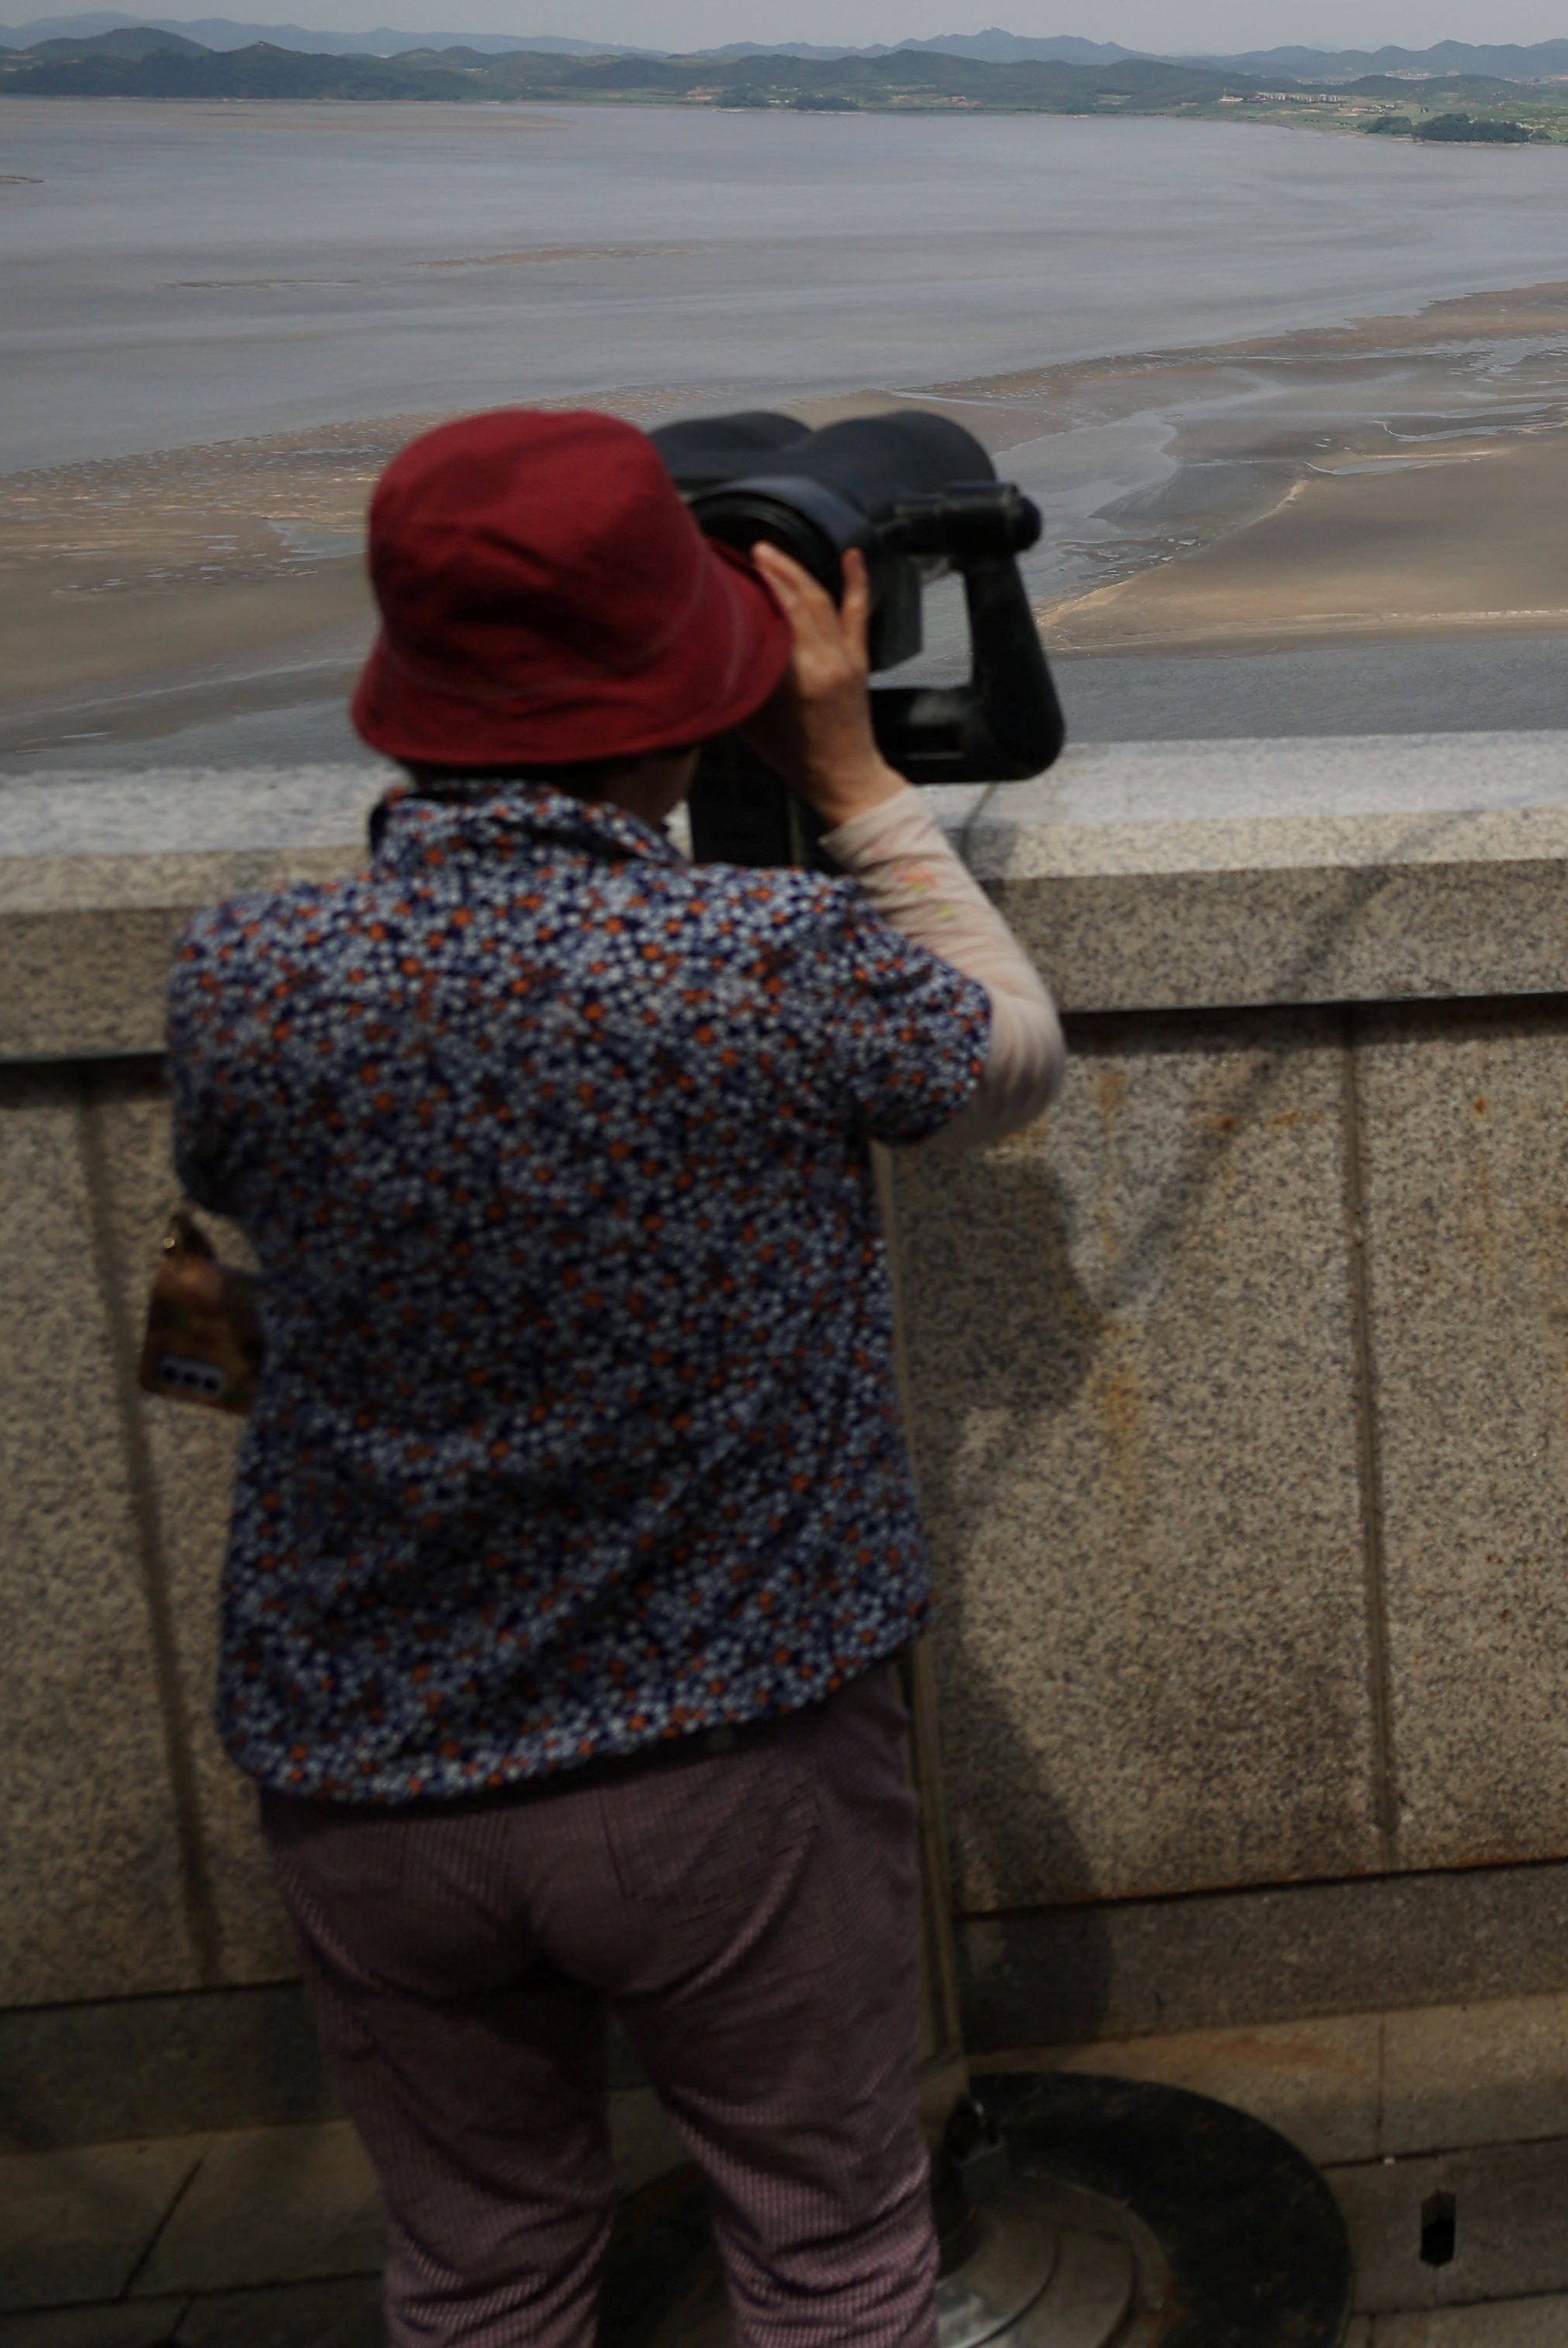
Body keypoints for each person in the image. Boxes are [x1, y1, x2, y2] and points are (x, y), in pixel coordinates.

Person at [166, 407, 1067, 2348]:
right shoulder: (766, 957)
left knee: (482, 2268)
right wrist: (841, 766)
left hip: (365, 1765)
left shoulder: (244, 974)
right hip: (724, 1752)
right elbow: (1007, 1060)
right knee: (829, 2253)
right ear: (697, 692)